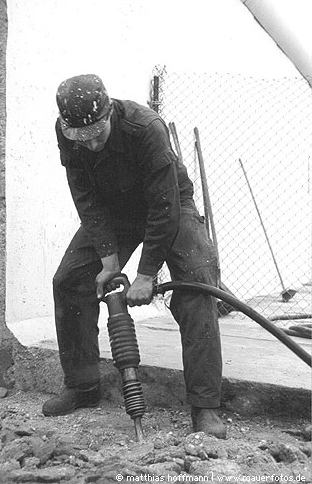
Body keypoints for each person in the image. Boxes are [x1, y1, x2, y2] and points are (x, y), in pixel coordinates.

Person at [42, 74, 227, 439]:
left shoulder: (146, 128)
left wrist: (146, 274)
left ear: (110, 114)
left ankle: (205, 407)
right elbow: (85, 198)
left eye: (98, 133)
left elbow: (164, 207)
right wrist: (109, 259)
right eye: (84, 137)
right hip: (114, 211)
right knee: (70, 280)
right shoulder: (68, 132)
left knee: (197, 287)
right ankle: (83, 385)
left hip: (172, 204)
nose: (92, 144)